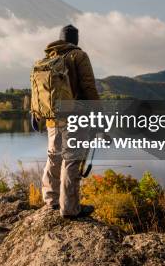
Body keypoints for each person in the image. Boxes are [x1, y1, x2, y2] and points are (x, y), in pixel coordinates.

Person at [37, 24, 99, 218]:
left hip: (52, 118)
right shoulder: (78, 56)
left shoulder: (48, 57)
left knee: (53, 157)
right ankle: (70, 209)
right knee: (72, 160)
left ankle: (51, 201)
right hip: (75, 116)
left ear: (60, 38)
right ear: (76, 39)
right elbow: (89, 88)